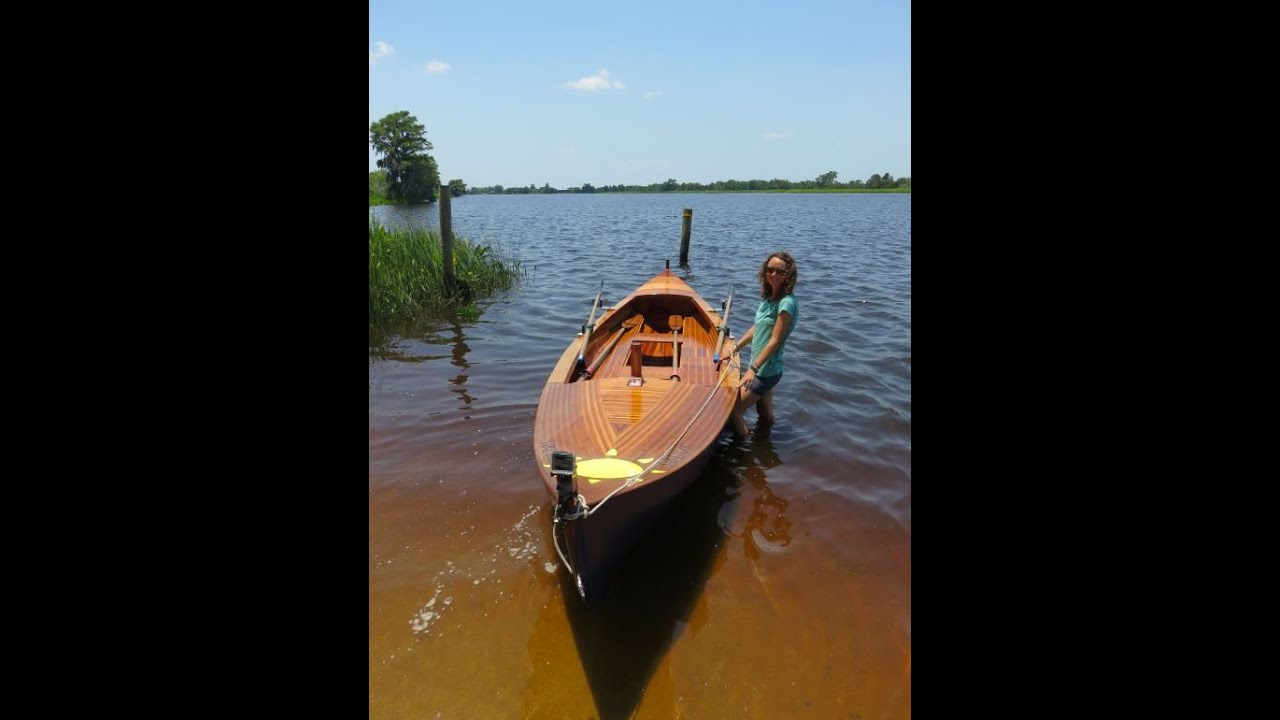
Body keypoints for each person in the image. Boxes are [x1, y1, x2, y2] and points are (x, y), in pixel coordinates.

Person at [728, 251, 799, 439]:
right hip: (763, 367)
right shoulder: (769, 298)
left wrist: (752, 370)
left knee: (733, 410)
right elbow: (757, 327)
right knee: (765, 415)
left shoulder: (786, 303)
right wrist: (736, 347)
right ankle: (766, 445)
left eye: (780, 271)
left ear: (788, 275)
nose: (773, 275)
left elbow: (775, 341)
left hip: (765, 371)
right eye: (770, 270)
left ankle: (743, 449)